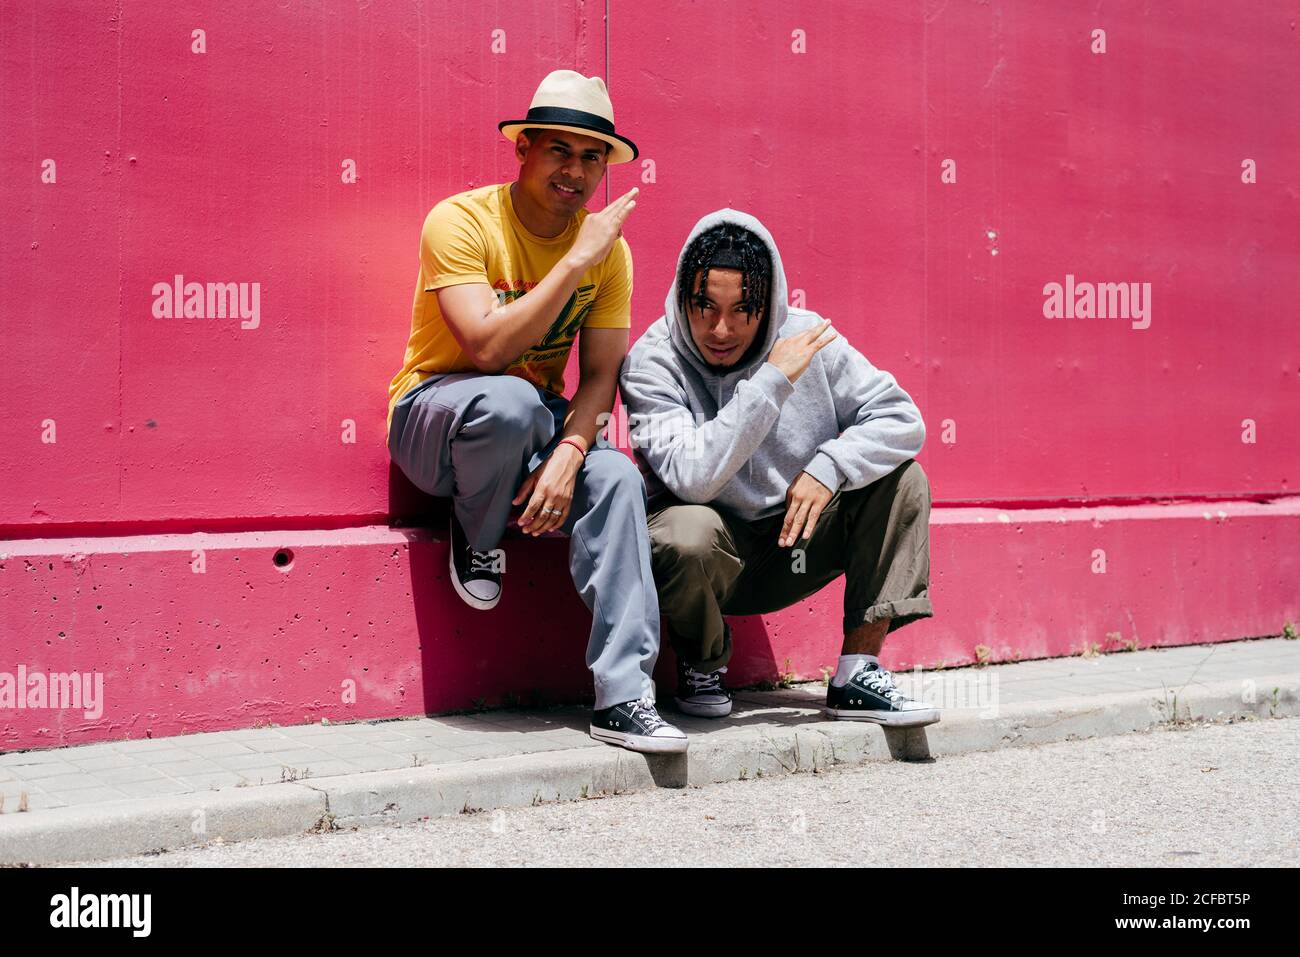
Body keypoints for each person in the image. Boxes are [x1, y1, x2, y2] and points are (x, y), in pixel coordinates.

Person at [386, 70, 687, 753]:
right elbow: (486, 348)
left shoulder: (613, 256)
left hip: (534, 427)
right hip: (434, 414)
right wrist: (575, 260)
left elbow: (603, 372)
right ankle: (478, 528)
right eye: (559, 150)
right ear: (522, 150)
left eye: (591, 157)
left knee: (616, 478)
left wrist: (573, 453)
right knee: (513, 398)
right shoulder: (461, 220)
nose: (575, 170)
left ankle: (623, 695)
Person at [619, 209, 939, 727]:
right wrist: (770, 381)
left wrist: (828, 467)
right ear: (682, 296)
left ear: (768, 305)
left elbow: (904, 420)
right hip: (711, 558)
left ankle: (858, 671)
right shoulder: (653, 361)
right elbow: (692, 478)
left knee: (904, 480)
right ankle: (702, 665)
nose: (720, 329)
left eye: (743, 310)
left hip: (799, 540)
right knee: (682, 529)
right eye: (704, 306)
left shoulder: (807, 337)